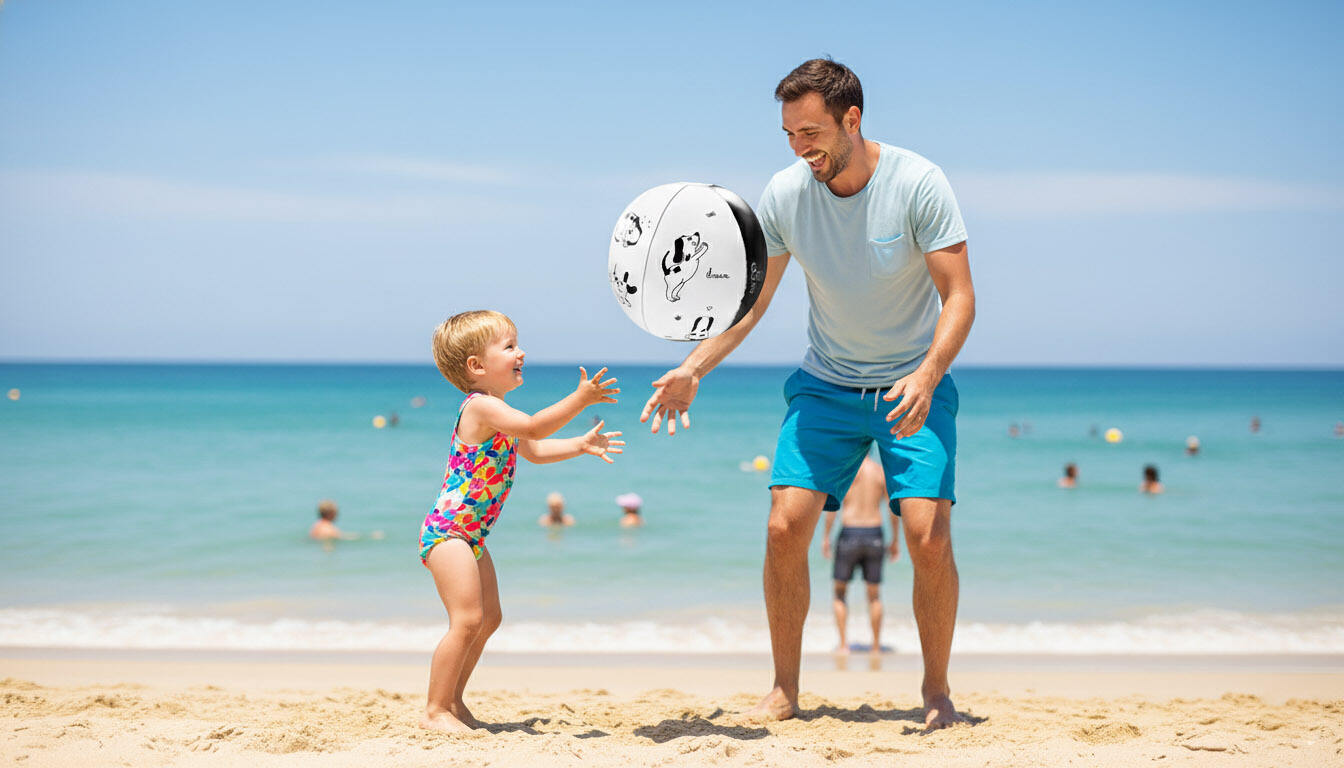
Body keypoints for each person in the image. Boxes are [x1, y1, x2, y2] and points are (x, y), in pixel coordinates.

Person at [641, 58, 974, 729]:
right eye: (790, 134)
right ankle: (784, 690)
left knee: (927, 537)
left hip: (914, 380)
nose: (801, 147)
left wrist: (930, 372)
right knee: (783, 526)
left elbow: (960, 298)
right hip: (826, 385)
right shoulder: (787, 193)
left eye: (812, 131)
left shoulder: (918, 183)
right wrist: (694, 367)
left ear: (853, 119)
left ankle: (936, 689)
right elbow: (753, 303)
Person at [420, 310, 623, 732]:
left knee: (489, 619)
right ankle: (435, 709)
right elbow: (533, 426)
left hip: (471, 535)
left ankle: (455, 702)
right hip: (448, 532)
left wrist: (580, 444)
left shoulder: (500, 411)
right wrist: (579, 399)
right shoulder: (481, 408)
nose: (521, 352)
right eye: (509, 346)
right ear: (477, 367)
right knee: (467, 620)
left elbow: (534, 449)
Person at [821, 457, 898, 655]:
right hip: (875, 533)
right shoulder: (880, 471)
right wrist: (895, 539)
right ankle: (875, 646)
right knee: (874, 595)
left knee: (839, 592)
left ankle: (843, 645)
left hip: (850, 532)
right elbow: (892, 508)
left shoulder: (845, 469)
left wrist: (826, 537)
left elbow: (833, 507)